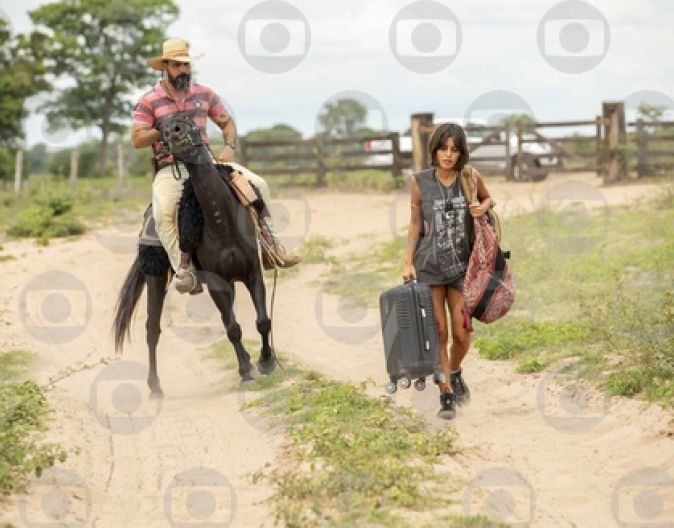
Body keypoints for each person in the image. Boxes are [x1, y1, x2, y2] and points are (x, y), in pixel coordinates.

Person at [131, 38, 300, 294]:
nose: (183, 70)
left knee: (259, 185)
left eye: (186, 65)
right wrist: (162, 129)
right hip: (171, 168)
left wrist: (229, 148)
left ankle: (269, 247)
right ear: (164, 66)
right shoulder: (149, 101)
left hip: (207, 162)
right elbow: (137, 139)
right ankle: (184, 269)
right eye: (177, 65)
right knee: (163, 212)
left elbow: (227, 123)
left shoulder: (204, 94)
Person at [402, 123, 494, 420]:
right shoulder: (420, 182)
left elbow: (489, 198)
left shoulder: (469, 177)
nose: (448, 155)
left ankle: (453, 371)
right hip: (429, 267)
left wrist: (482, 206)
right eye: (443, 148)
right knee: (439, 331)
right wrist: (407, 261)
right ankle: (446, 396)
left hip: (461, 269)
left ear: (461, 152)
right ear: (435, 150)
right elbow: (415, 223)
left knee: (462, 333)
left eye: (454, 150)